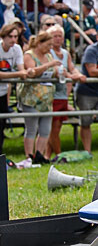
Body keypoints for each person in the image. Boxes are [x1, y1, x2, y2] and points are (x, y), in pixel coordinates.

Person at [20, 31, 61, 163]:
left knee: (45, 129)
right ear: (39, 43)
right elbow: (32, 72)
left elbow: (53, 73)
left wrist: (59, 72)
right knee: (32, 128)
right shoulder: (29, 55)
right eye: (48, 44)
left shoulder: (49, 56)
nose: (50, 48)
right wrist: (49, 65)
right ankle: (29, 156)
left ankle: (39, 155)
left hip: (47, 99)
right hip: (31, 99)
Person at [45, 25, 85, 159]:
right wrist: (71, 76)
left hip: (62, 94)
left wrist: (78, 74)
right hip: (51, 94)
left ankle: (47, 155)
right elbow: (60, 72)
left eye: (60, 36)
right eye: (54, 36)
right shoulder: (48, 53)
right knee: (52, 128)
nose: (57, 39)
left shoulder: (65, 53)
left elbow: (72, 68)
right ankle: (59, 154)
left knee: (57, 126)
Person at [0, 24, 30, 154]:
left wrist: (24, 73)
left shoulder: (17, 49)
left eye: (15, 37)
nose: (13, 40)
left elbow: (21, 69)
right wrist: (18, 74)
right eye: (10, 36)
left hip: (2, 92)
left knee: (2, 124)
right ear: (3, 37)